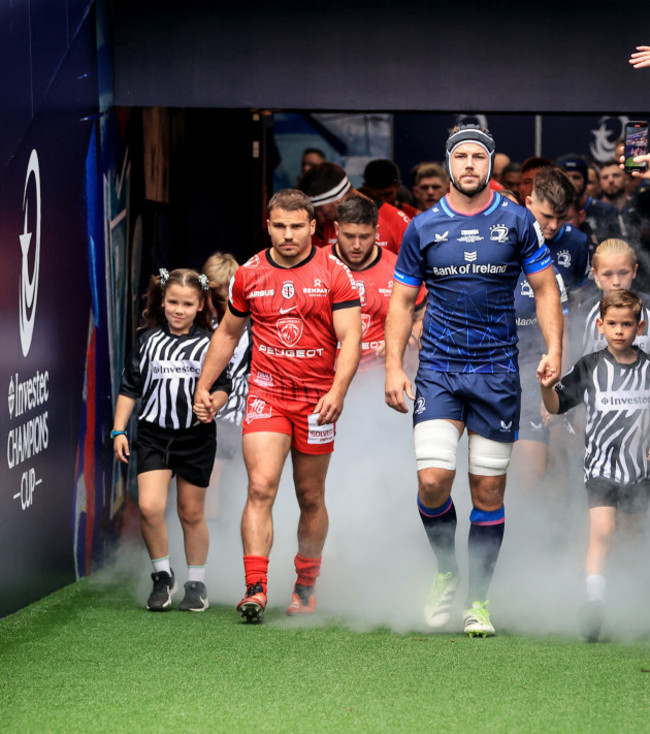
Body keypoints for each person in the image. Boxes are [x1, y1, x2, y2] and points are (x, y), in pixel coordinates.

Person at [384, 124, 563, 637]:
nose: (468, 165)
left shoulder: (516, 221)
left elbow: (546, 289)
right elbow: (400, 300)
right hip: (439, 370)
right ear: (448, 164)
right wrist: (396, 365)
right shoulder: (423, 226)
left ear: (488, 165)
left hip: (497, 373)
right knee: (433, 482)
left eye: (477, 157)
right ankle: (446, 570)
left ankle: (478, 603)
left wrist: (555, 349)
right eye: (460, 156)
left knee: (487, 491)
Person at [194, 188, 362, 623]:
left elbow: (351, 340)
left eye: (296, 226)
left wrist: (338, 392)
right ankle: (256, 587)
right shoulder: (248, 274)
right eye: (280, 226)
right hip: (267, 395)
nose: (288, 235)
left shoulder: (334, 273)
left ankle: (305, 584)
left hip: (317, 401)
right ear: (268, 225)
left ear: (313, 227)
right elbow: (229, 335)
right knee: (261, 487)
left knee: (309, 496)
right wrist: (204, 384)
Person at [112, 268, 232, 612]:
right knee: (150, 508)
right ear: (162, 301)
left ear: (200, 305)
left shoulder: (209, 343)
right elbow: (129, 388)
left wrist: (213, 405)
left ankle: (196, 583)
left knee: (191, 512)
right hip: (153, 435)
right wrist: (119, 429)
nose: (179, 310)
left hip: (196, 437)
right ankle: (163, 577)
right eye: (173, 302)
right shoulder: (147, 340)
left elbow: (224, 385)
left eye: (187, 304)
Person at [539, 289, 650, 641]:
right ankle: (594, 605)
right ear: (600, 326)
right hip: (601, 468)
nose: (619, 331)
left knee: (631, 538)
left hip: (640, 471)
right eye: (613, 324)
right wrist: (545, 388)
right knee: (602, 533)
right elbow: (558, 406)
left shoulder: (648, 368)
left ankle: (630, 601)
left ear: (640, 326)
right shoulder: (590, 366)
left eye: (627, 324)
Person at [330, 194, 424, 370]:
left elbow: (424, 317)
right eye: (349, 236)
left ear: (376, 231)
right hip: (327, 377)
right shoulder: (319, 264)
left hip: (380, 376)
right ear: (336, 229)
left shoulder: (399, 269)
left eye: (364, 237)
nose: (356, 245)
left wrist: (405, 342)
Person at [202, 252, 252, 515]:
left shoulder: (251, 326)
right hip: (204, 413)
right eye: (215, 289)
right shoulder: (197, 322)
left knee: (223, 479)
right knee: (208, 480)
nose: (222, 295)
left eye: (226, 288)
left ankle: (222, 539)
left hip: (237, 416)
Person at [299, 161, 411, 253]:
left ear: (337, 201)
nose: (318, 214)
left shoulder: (395, 222)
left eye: (319, 208)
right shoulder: (331, 224)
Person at [524, 166, 590, 308]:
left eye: (561, 218)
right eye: (547, 216)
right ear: (529, 203)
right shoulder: (509, 237)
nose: (553, 225)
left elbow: (576, 297)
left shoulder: (577, 241)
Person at [574, 239, 650, 357]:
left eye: (623, 273)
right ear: (595, 274)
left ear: (634, 271)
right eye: (607, 274)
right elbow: (574, 367)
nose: (616, 282)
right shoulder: (584, 314)